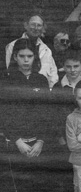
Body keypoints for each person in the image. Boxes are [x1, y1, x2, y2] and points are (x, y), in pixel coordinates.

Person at [1, 38, 53, 192]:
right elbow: (4, 113)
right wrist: (17, 141)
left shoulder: (41, 80)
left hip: (38, 145)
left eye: (29, 56)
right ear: (15, 56)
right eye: (22, 56)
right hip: (15, 144)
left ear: (34, 57)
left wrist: (41, 141)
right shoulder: (6, 81)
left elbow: (47, 113)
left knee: (40, 185)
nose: (25, 60)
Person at [52, 49, 81, 192]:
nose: (72, 70)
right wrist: (60, 138)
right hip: (65, 141)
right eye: (68, 66)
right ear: (63, 67)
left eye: (76, 66)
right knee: (67, 180)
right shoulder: (57, 87)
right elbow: (55, 115)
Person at [5, 14, 58, 88]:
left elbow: (53, 74)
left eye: (39, 25)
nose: (36, 28)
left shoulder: (46, 50)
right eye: (33, 24)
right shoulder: (13, 45)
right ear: (26, 25)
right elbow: (9, 69)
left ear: (43, 28)